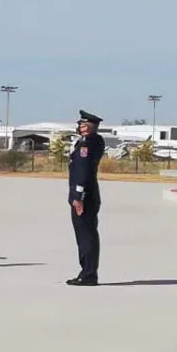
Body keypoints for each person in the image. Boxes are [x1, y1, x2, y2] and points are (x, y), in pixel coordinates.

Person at [66, 110, 106, 286]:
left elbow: (82, 171)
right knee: (85, 233)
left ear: (89, 127)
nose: (79, 126)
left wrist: (78, 196)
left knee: (86, 235)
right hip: (88, 193)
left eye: (82, 124)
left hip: (85, 195)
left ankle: (88, 274)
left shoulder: (87, 144)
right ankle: (88, 271)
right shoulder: (89, 141)